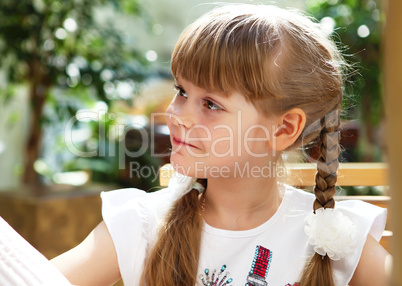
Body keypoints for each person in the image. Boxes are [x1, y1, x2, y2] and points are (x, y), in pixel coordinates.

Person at [51, 4, 390, 286]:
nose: (175, 114)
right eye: (182, 90)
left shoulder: (336, 241)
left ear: (284, 128)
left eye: (211, 104)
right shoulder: (143, 225)